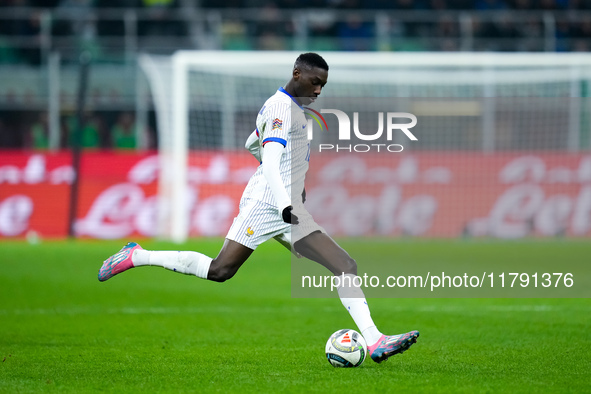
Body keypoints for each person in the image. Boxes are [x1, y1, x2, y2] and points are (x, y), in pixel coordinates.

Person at [98, 53, 419, 363]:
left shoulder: (289, 108)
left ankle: (375, 340)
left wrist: (294, 184)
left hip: (284, 204)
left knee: (345, 265)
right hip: (267, 203)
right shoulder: (281, 108)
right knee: (220, 270)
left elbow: (253, 144)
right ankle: (137, 255)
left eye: (323, 85)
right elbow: (269, 163)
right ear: (297, 74)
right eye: (315, 82)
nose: (318, 90)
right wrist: (283, 203)